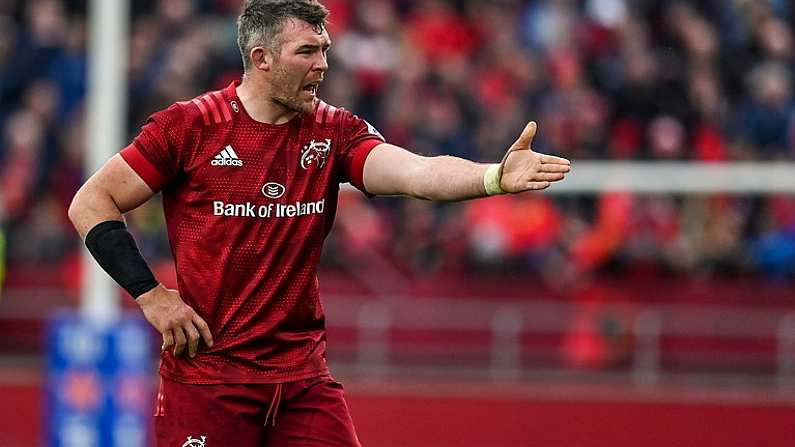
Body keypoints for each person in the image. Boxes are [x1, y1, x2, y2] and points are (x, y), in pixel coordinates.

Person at [68, 1, 571, 445]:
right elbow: (91, 202)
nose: (323, 65)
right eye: (307, 52)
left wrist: (492, 178)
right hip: (209, 379)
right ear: (261, 59)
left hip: (301, 382)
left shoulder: (334, 131)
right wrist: (152, 297)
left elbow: (418, 172)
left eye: (325, 50)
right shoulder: (190, 127)